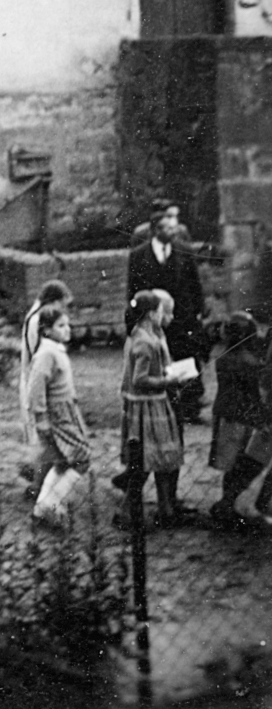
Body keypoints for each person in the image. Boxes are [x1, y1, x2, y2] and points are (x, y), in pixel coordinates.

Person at [127, 201, 208, 422]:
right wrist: (134, 317)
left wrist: (199, 310)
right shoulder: (139, 255)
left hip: (181, 316)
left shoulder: (183, 251)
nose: (170, 231)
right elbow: (133, 288)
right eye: (165, 228)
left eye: (172, 228)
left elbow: (194, 283)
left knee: (187, 356)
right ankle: (164, 403)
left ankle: (191, 406)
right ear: (154, 231)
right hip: (153, 317)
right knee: (158, 357)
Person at [118, 290, 191, 528]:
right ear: (151, 314)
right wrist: (168, 381)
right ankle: (127, 513)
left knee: (157, 460)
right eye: (161, 311)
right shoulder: (145, 342)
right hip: (149, 409)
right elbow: (140, 379)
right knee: (145, 462)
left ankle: (165, 509)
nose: (164, 315)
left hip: (153, 405)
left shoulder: (144, 335)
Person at [26, 302, 92, 529]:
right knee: (81, 458)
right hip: (56, 414)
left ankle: (40, 507)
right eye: (61, 325)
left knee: (63, 460)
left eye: (68, 325)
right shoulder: (46, 354)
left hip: (67, 410)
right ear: (46, 330)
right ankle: (51, 503)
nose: (67, 329)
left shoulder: (56, 350)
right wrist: (41, 418)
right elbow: (35, 389)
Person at [208, 311, 270, 529]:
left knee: (230, 465)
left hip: (227, 414)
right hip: (242, 418)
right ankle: (228, 506)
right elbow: (255, 392)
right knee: (241, 463)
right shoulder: (248, 362)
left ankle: (226, 504)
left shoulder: (225, 356)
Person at [19, 279, 75, 494]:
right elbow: (38, 362)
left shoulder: (39, 317)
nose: (63, 310)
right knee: (49, 442)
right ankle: (38, 483)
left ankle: (38, 478)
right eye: (62, 305)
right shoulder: (38, 321)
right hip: (42, 389)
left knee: (49, 443)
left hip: (44, 387)